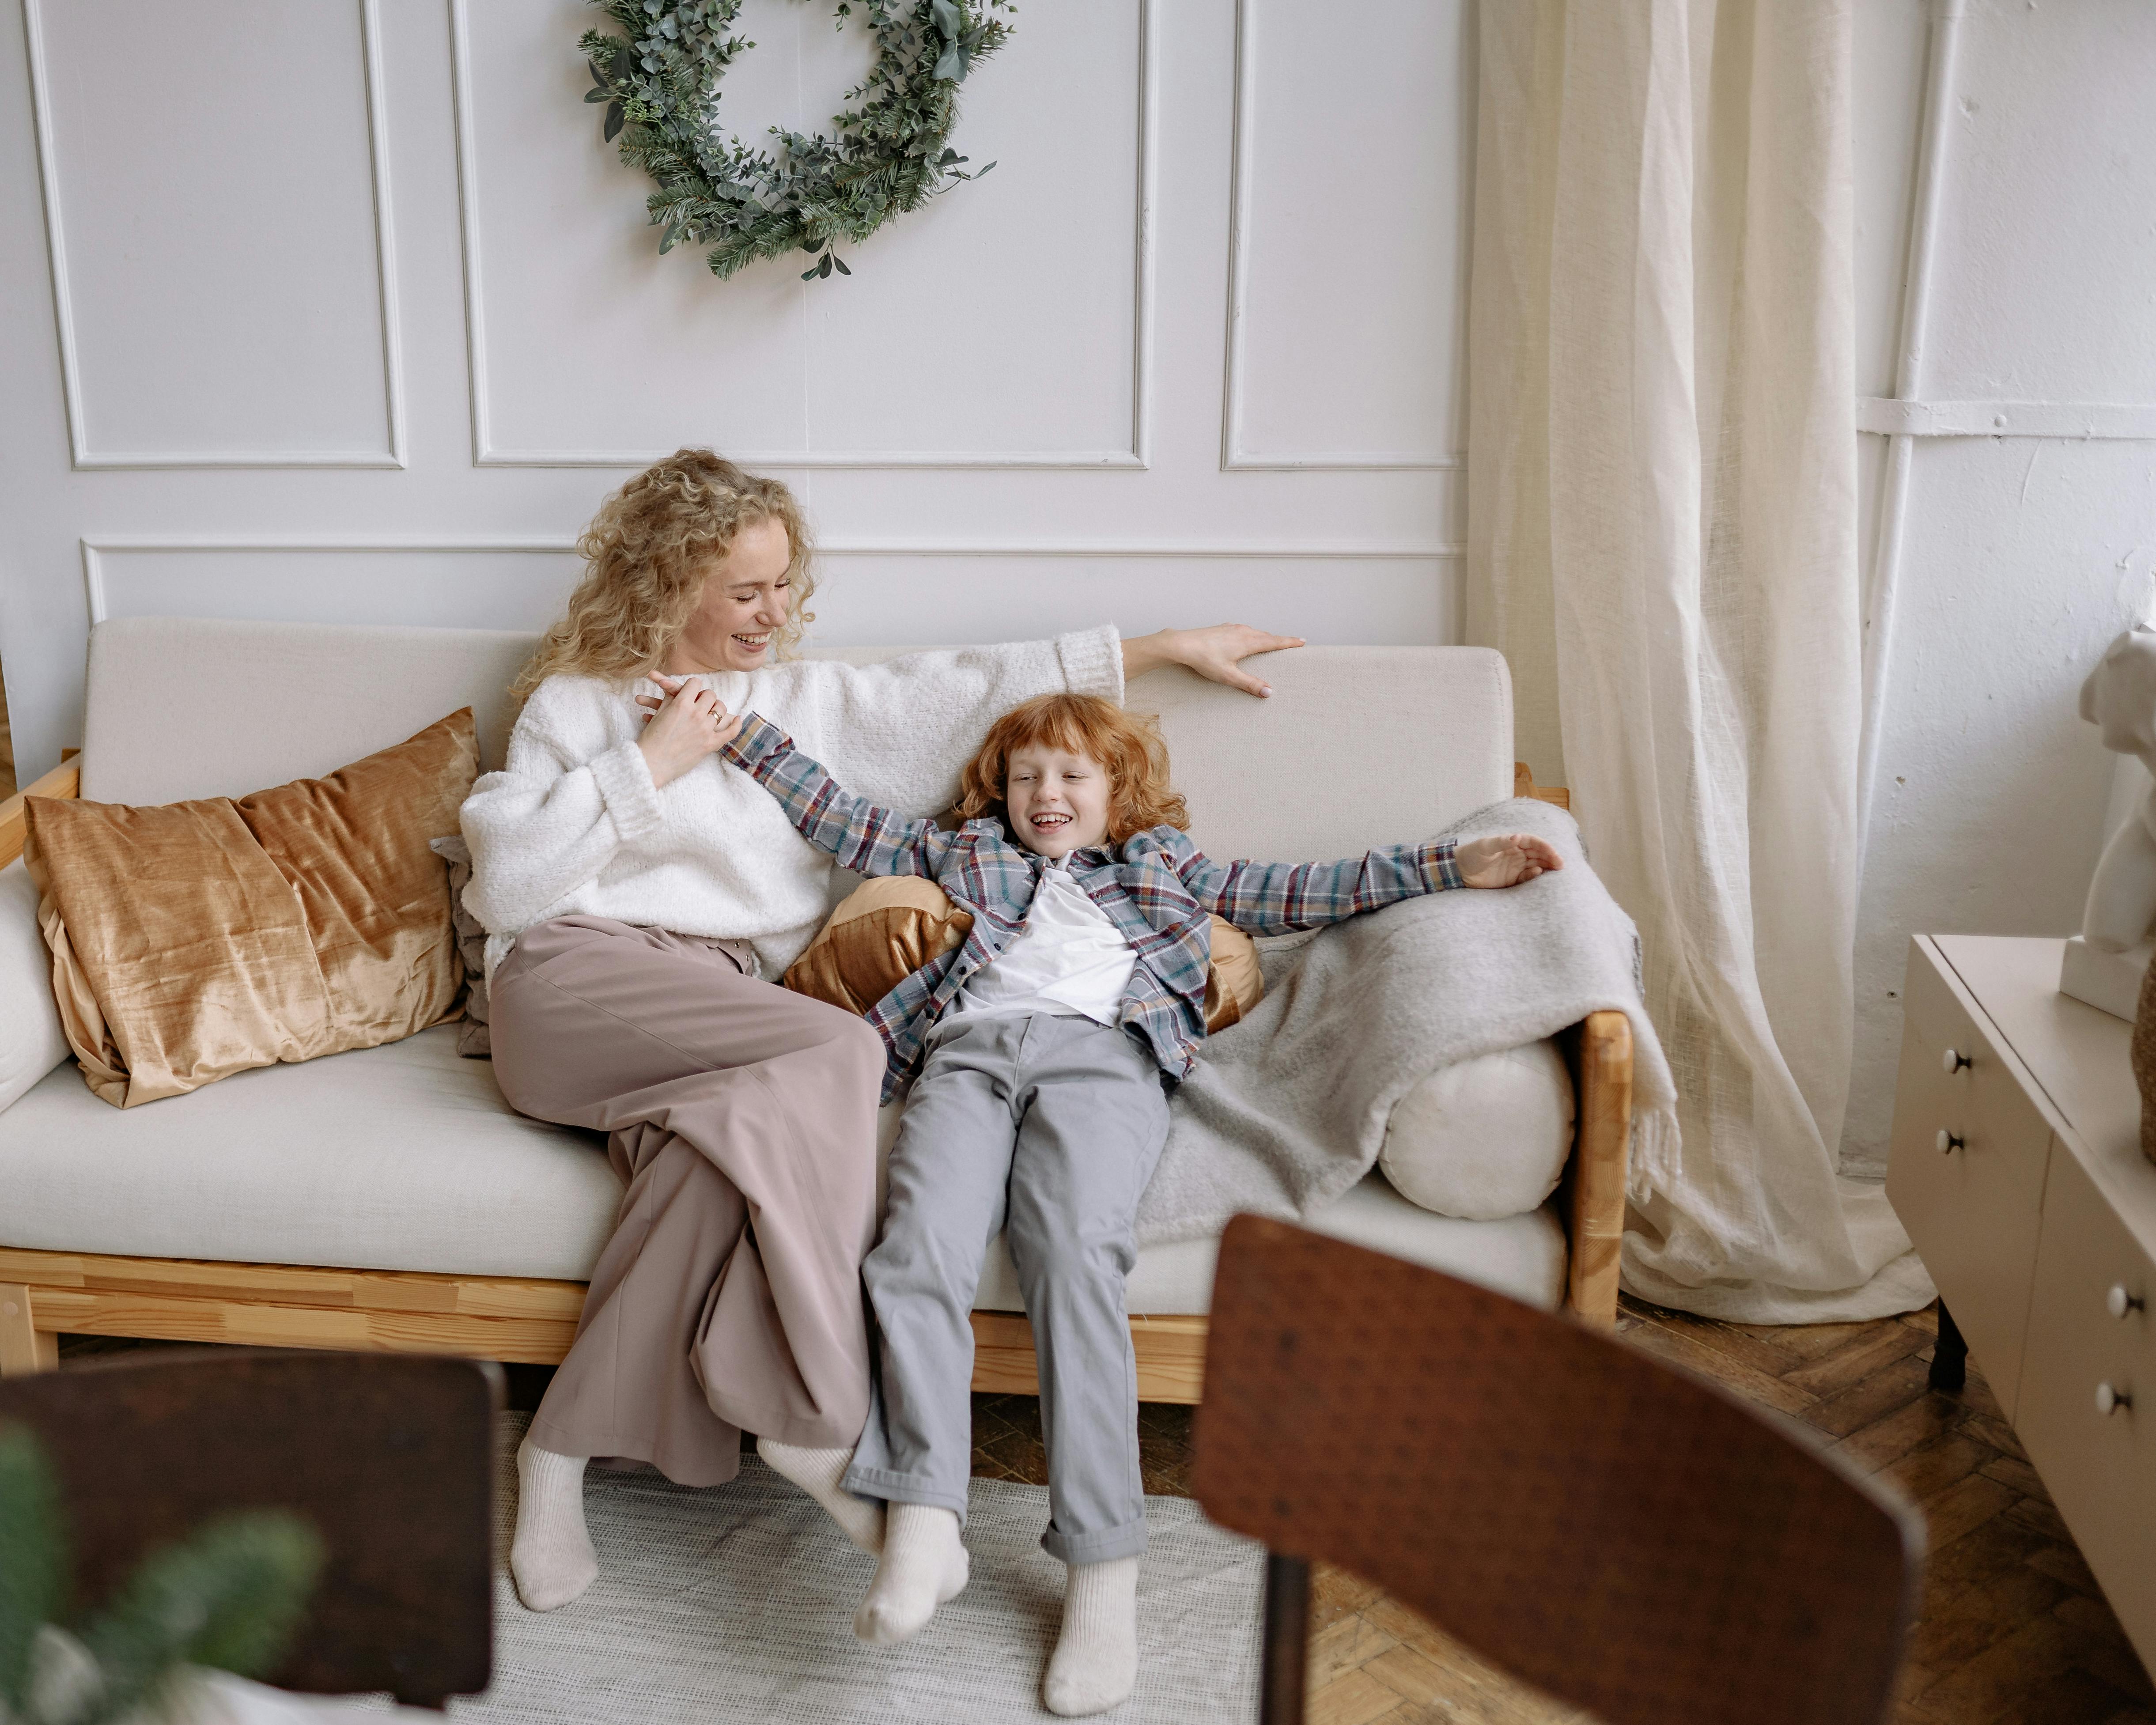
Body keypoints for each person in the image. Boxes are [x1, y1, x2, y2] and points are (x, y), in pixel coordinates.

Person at [458, 448, 1301, 1615]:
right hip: (573, 982)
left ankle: (552, 1460)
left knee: (712, 1165)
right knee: (843, 1050)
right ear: (668, 583)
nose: (774, 613)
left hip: (723, 1005)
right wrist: (654, 759)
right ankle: (816, 1422)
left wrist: (1156, 649)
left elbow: (958, 689)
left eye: (784, 586)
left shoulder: (803, 705)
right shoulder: (575, 705)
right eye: (745, 589)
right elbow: (506, 887)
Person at [713, 689, 1563, 1715]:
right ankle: (923, 1517)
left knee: (1071, 1255)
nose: (1046, 794)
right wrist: (741, 735)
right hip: (965, 1060)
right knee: (912, 1251)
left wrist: (1449, 869)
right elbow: (840, 815)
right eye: (1026, 776)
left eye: (1072, 775)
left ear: (1118, 793)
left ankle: (1102, 1574)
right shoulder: (962, 852)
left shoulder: (1164, 870)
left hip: (1101, 1063)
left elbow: (1302, 890)